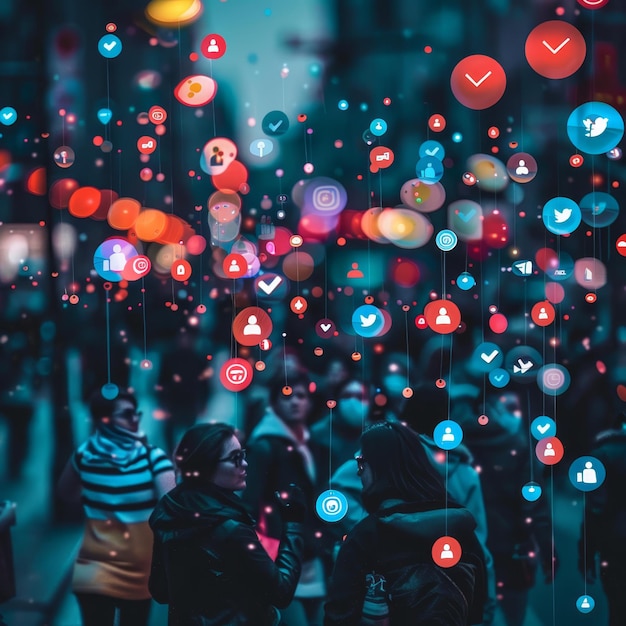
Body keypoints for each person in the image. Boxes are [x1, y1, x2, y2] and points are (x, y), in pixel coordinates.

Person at [325, 421, 487, 625]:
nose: (359, 472)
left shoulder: (366, 537)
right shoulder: (459, 527)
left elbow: (339, 615)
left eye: (361, 462)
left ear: (379, 467)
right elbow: (478, 606)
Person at [148, 422, 306, 625]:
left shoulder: (168, 513)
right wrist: (293, 525)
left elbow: (160, 590)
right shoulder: (231, 529)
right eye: (235, 458)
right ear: (206, 466)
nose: (245, 464)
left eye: (243, 454)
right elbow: (281, 592)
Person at [57, 388, 176, 626]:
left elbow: (66, 493)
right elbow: (172, 509)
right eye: (127, 414)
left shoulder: (83, 455)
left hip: (94, 570)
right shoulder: (153, 458)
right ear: (105, 419)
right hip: (137, 571)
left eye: (136, 414)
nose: (135, 420)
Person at [243, 372, 327, 626]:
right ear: (274, 402)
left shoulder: (312, 443)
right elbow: (250, 500)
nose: (295, 402)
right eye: (287, 396)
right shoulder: (264, 445)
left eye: (301, 396)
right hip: (281, 551)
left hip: (312, 552)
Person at [578, 411, 626, 626]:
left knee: (618, 606)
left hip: (614, 544)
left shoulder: (601, 456)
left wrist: (586, 555)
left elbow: (594, 510)